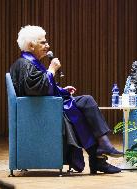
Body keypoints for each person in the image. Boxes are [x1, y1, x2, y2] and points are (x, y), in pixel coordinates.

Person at [10, 25, 123, 174]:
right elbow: (37, 89)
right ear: (31, 45)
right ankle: (99, 156)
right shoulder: (24, 64)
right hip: (42, 112)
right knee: (82, 110)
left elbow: (41, 88)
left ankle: (102, 147)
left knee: (86, 102)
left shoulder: (29, 62)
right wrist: (51, 70)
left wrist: (62, 90)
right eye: (43, 43)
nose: (47, 45)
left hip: (46, 106)